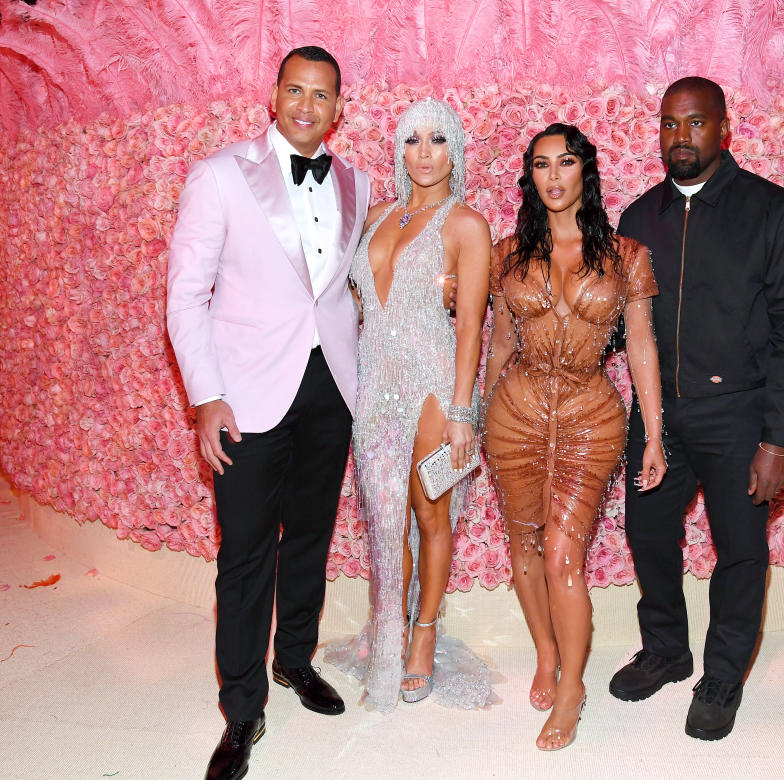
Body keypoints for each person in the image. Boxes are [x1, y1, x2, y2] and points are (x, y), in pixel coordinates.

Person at [166, 47, 370, 780]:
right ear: (274, 96)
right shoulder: (220, 175)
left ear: (339, 107)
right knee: (246, 552)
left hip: (331, 390)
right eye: (296, 90)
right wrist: (206, 396)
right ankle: (243, 709)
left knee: (310, 535)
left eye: (323, 95)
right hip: (245, 396)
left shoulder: (358, 181)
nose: (308, 105)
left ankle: (295, 661)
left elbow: (349, 287)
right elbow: (186, 295)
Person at [610, 77, 784, 741]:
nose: (682, 136)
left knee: (740, 549)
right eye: (670, 124)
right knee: (648, 533)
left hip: (741, 416)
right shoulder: (637, 219)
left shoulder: (772, 210)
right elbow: (618, 323)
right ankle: (668, 650)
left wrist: (780, 441)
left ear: (723, 128)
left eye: (696, 123)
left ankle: (723, 673)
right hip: (656, 414)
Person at [483, 123, 666, 750]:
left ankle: (572, 689)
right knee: (525, 542)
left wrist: (655, 433)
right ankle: (544, 653)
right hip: (515, 413)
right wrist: (473, 412)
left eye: (565, 162)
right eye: (541, 164)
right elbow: (502, 343)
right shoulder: (508, 255)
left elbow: (640, 344)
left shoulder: (626, 256)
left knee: (565, 552)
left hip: (592, 416)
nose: (554, 175)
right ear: (530, 176)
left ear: (585, 170)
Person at [324, 98, 494, 712]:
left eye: (438, 140)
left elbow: (472, 325)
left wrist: (460, 412)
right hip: (374, 384)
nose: (424, 153)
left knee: (429, 514)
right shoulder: (372, 218)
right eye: (413, 140)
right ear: (398, 149)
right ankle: (387, 626)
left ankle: (422, 637)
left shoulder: (467, 225)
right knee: (382, 514)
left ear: (456, 150)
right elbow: (337, 300)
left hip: (434, 384)